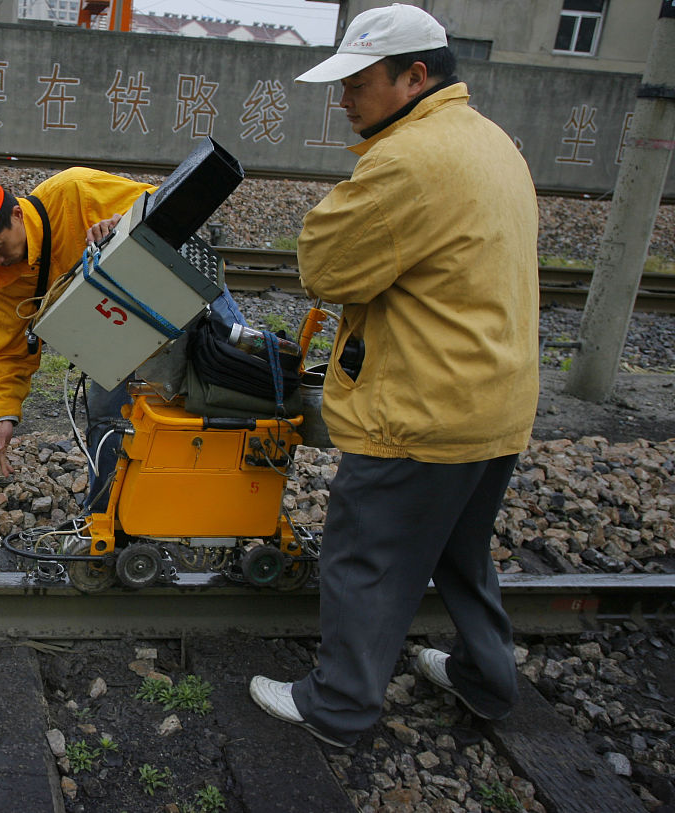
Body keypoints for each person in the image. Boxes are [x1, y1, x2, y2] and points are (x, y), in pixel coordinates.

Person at [248, 3, 539, 747]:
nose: (342, 97)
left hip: (425, 408)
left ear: (415, 76)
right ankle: (488, 678)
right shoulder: (492, 140)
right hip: (498, 403)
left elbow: (325, 265)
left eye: (357, 81)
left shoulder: (407, 159)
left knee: (364, 553)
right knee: (459, 554)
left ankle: (340, 704)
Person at [0, 161, 156, 508]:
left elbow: (165, 207)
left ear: (16, 215)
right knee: (105, 416)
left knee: (226, 394)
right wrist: (6, 414)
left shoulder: (76, 192)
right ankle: (105, 520)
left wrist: (122, 224)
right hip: (119, 339)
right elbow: (8, 348)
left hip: (178, 307)